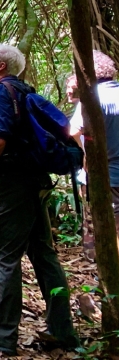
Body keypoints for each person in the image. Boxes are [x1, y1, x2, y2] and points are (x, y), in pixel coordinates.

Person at [0, 42, 78, 355]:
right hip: (35, 182)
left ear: (1, 66)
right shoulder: (22, 90)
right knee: (44, 255)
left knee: (7, 257)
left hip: (14, 185)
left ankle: (4, 336)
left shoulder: (0, 92)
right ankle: (63, 331)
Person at [68, 50, 119, 235]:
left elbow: (74, 130)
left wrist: (86, 152)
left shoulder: (91, 99)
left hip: (104, 175)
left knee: (106, 228)